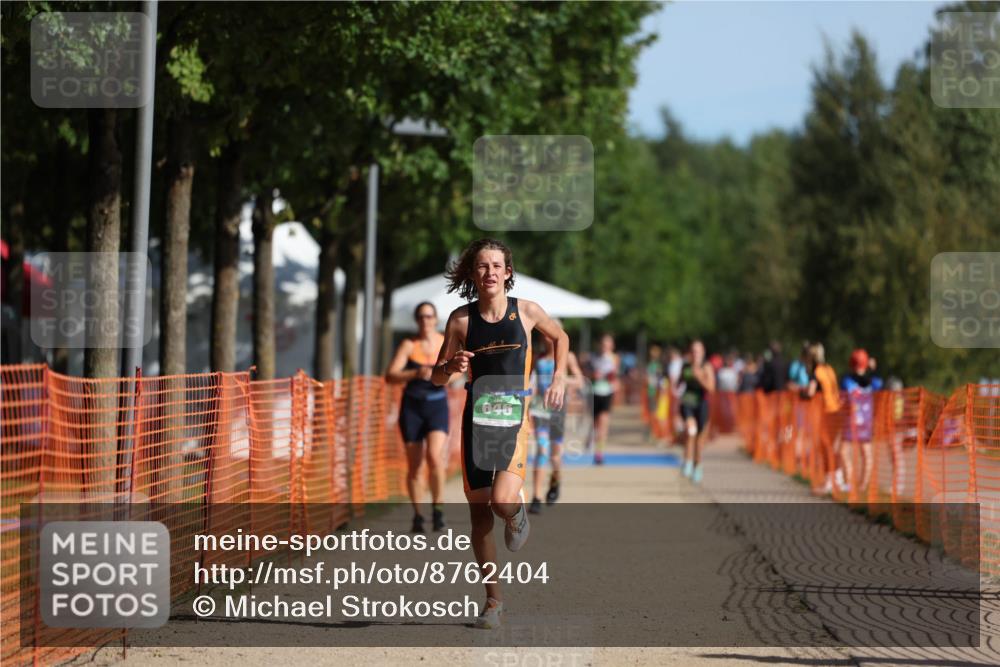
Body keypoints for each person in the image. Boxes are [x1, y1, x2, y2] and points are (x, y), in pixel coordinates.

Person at [431, 238, 568, 630]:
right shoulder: (460, 320)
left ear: (507, 272)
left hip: (514, 420)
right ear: (473, 275)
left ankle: (517, 513)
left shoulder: (526, 312)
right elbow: (436, 377)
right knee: (478, 518)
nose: (489, 272)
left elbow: (560, 337)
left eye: (496, 266)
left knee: (501, 501)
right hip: (476, 421)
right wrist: (451, 365)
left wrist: (558, 378)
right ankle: (493, 602)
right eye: (481, 266)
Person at [385, 302, 449, 533]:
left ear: (435, 318)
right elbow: (390, 375)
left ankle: (438, 510)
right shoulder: (408, 345)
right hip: (412, 408)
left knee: (434, 456)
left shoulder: (444, 341)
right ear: (417, 320)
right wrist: (415, 373)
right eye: (421, 317)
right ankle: (418, 514)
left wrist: (450, 375)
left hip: (437, 405)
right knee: (414, 465)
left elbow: (458, 370)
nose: (426, 321)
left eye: (430, 316)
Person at [528, 329, 583, 513]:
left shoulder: (568, 356)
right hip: (539, 409)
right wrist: (527, 410)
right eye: (545, 335)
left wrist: (561, 380)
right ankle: (536, 497)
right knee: (542, 450)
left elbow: (579, 381)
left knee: (555, 455)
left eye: (551, 334)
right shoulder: (538, 358)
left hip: (558, 410)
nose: (547, 338)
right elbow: (531, 384)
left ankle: (556, 480)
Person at [840, 348, 883, 493]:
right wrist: (873, 369)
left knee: (844, 451)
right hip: (866, 421)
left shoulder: (847, 380)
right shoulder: (873, 381)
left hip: (851, 420)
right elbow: (878, 383)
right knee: (866, 453)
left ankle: (849, 483)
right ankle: (862, 486)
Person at [805, 342, 840, 495]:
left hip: (824, 413)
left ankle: (828, 482)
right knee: (832, 447)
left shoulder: (816, 372)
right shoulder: (829, 369)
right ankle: (836, 479)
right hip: (836, 410)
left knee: (825, 447)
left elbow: (810, 392)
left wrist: (802, 394)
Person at [679, 340, 716, 483]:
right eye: (693, 351)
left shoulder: (706, 367)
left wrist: (699, 377)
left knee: (699, 440)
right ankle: (687, 462)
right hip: (687, 403)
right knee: (690, 431)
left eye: (698, 351)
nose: (695, 354)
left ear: (703, 352)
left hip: (701, 405)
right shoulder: (685, 366)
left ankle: (697, 465)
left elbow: (711, 388)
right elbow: (679, 383)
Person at [588, 334, 620, 465]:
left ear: (612, 345)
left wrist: (610, 377)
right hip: (594, 392)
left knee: (603, 424)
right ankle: (593, 443)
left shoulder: (614, 358)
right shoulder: (593, 358)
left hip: (607, 393)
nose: (605, 346)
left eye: (608, 344)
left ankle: (599, 453)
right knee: (594, 425)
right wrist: (593, 375)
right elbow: (587, 373)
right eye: (603, 344)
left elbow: (616, 376)